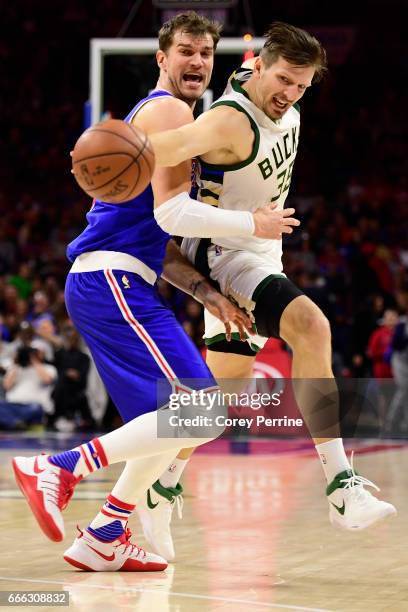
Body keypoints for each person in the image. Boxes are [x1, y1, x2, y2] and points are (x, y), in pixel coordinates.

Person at [12, 12, 293, 573]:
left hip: (117, 279)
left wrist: (208, 296)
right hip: (111, 278)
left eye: (206, 53)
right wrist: (250, 226)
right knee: (204, 410)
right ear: (161, 59)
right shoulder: (168, 111)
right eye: (185, 50)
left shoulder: (171, 124)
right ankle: (59, 466)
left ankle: (105, 535)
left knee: (170, 423)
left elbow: (160, 240)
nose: (197, 61)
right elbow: (171, 213)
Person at [139, 21, 396, 558]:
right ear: (261, 69)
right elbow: (167, 146)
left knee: (221, 403)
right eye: (284, 80)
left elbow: (250, 71)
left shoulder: (263, 87)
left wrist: (270, 74)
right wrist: (111, 146)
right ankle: (342, 485)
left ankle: (157, 489)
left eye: (301, 86)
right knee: (312, 326)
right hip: (229, 255)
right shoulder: (229, 121)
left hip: (258, 252)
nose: (290, 94)